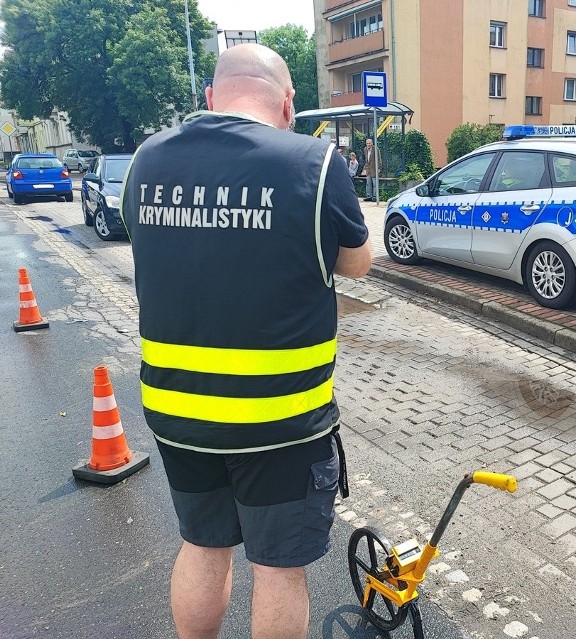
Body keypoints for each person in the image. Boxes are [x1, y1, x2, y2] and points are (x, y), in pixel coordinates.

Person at [119, 43, 372, 639]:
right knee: (279, 570)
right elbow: (358, 264)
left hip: (178, 412)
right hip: (279, 420)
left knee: (203, 547)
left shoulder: (145, 160)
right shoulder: (312, 162)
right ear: (287, 102)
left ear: (210, 97)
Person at [360, 138, 381, 202]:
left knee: (375, 183)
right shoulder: (365, 149)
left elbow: (379, 159)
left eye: (369, 143)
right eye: (367, 143)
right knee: (368, 183)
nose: (368, 145)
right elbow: (366, 159)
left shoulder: (376, 149)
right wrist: (365, 168)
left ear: (372, 143)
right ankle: (369, 196)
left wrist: (379, 168)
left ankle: (375, 197)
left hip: (374, 168)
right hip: (368, 169)